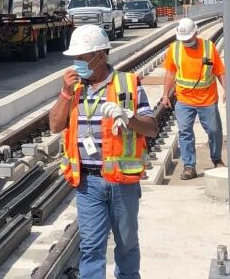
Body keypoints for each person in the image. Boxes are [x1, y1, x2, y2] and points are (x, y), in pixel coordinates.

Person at [50, 24, 158, 279]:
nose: (77, 63)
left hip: (122, 182)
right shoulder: (74, 88)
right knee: (90, 248)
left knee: (127, 245)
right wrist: (65, 93)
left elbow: (151, 128)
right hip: (88, 183)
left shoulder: (128, 84)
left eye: (81, 57)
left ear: (100, 55)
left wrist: (128, 116)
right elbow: (55, 125)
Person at [161, 17, 226, 180]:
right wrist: (165, 95)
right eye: (183, 40)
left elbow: (220, 71)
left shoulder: (208, 48)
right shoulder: (174, 49)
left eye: (189, 39)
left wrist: (227, 90)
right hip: (184, 99)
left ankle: (216, 158)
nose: (186, 42)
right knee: (185, 132)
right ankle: (189, 166)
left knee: (214, 130)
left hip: (208, 99)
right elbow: (170, 72)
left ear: (195, 33)